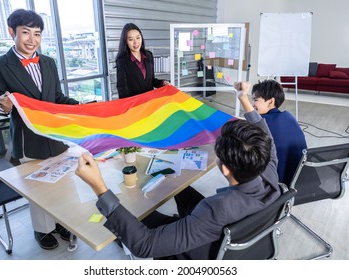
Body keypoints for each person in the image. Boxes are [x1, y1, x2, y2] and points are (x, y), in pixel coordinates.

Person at [75, 81, 281, 259]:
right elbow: (266, 135)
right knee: (179, 188)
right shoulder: (269, 167)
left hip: (201, 252)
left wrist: (99, 186)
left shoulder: (215, 211)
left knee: (141, 218)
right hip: (244, 232)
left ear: (225, 169)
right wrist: (243, 97)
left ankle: (121, 236)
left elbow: (145, 244)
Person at [0, 9, 79, 250]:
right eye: (25, 32)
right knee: (38, 191)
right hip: (28, 141)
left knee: (63, 185)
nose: (32, 39)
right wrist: (4, 105)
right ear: (11, 32)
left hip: (56, 137)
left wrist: (81, 107)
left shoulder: (49, 62)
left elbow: (56, 98)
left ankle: (62, 223)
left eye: (37, 33)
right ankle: (43, 230)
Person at [250, 79, 307, 187]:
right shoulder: (289, 117)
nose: (252, 104)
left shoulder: (264, 123)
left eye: (255, 100)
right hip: (298, 182)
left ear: (271, 101)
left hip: (274, 185)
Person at [115, 23, 170, 98]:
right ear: (126, 42)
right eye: (131, 39)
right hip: (136, 105)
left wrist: (162, 83)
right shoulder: (122, 61)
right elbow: (122, 91)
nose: (136, 42)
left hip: (150, 102)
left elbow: (151, 80)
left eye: (138, 38)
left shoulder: (148, 56)